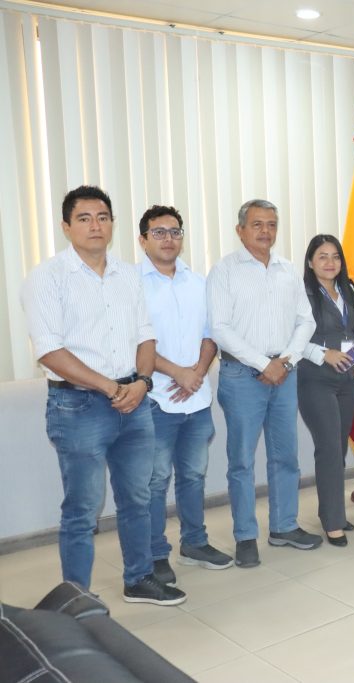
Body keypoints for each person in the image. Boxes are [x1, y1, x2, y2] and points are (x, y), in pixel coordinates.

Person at [20, 186, 185, 606]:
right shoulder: (47, 277)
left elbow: (145, 336)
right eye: (84, 218)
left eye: (103, 217)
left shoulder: (127, 275)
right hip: (78, 407)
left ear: (113, 224)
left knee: (138, 497)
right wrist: (111, 387)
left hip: (134, 400)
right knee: (83, 509)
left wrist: (142, 382)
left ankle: (139, 578)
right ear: (66, 226)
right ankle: (76, 597)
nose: (95, 225)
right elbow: (50, 351)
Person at [207, 199, 320, 568]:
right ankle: (245, 536)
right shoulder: (224, 271)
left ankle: (284, 526)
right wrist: (263, 363)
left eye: (271, 224)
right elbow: (219, 328)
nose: (265, 231)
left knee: (285, 455)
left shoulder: (288, 270)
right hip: (242, 375)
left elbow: (306, 320)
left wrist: (284, 360)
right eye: (257, 224)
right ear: (240, 230)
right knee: (241, 461)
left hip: (284, 373)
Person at [137, 205, 233, 587]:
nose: (168, 239)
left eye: (175, 231)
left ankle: (194, 543)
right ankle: (155, 553)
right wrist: (178, 372)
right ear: (143, 240)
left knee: (193, 476)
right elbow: (135, 342)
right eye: (158, 232)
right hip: (155, 399)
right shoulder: (131, 284)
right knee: (155, 481)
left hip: (196, 398)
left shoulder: (198, 282)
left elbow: (211, 334)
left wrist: (197, 372)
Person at [297, 235, 354, 547]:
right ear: (310, 262)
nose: (330, 262)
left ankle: (332, 511)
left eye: (335, 256)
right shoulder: (301, 293)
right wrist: (322, 354)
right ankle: (333, 522)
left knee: (337, 448)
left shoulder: (348, 289)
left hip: (347, 379)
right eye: (322, 256)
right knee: (328, 448)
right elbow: (290, 335)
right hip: (315, 378)